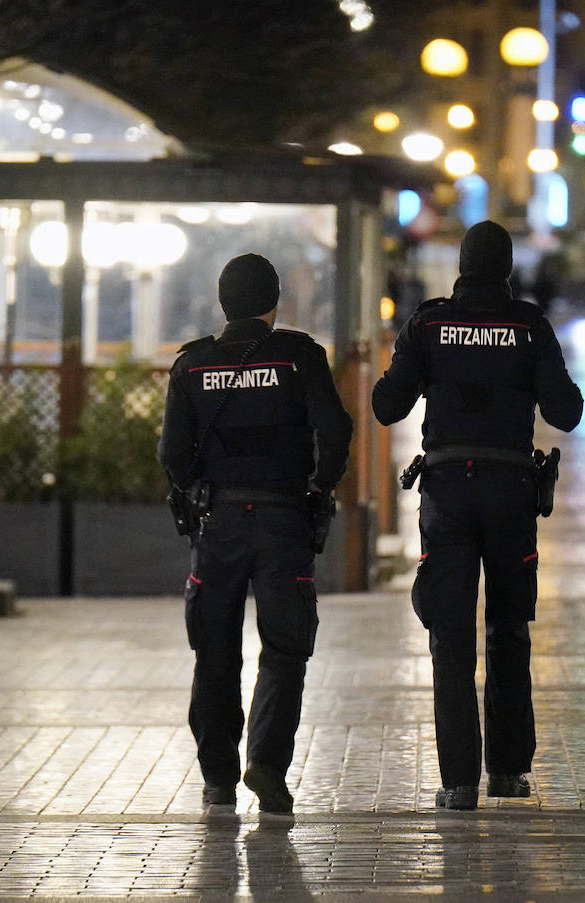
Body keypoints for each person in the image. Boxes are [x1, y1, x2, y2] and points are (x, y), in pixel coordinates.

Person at [371, 221, 583, 810]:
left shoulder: (429, 322)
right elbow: (566, 413)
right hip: (511, 493)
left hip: (448, 494)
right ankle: (510, 772)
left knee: (451, 635)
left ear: (461, 268)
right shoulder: (529, 325)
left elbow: (387, 406)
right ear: (509, 269)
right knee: (509, 631)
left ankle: (458, 782)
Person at [158, 253, 353, 816]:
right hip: (283, 520)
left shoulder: (192, 365)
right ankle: (267, 764)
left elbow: (172, 452)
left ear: (223, 303)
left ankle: (218, 780)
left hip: (217, 525)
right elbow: (335, 429)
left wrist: (198, 487)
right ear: (275, 303)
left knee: (215, 652)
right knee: (285, 648)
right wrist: (321, 485)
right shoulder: (299, 357)